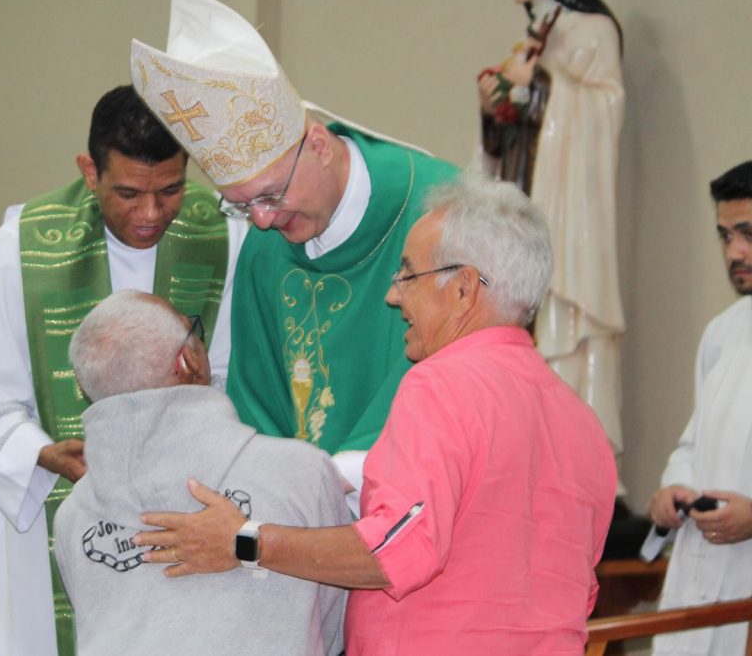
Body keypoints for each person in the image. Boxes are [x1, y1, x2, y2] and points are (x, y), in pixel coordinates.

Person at [135, 177, 617, 654]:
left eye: (408, 274)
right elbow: (577, 590)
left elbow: (396, 551)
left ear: (464, 289)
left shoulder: (442, 384)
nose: (394, 296)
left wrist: (243, 542)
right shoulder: (581, 421)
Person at [0, 85, 246, 656]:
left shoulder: (226, 237)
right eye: (129, 193)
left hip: (186, 511)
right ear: (90, 171)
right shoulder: (19, 249)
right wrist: (40, 453)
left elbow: (239, 372)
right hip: (57, 516)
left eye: (172, 190)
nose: (151, 214)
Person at [131, 0, 459, 502]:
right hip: (306, 527)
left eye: (271, 195)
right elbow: (257, 406)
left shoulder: (441, 211)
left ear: (320, 146)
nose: (261, 221)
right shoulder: (266, 250)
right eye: (240, 206)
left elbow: (468, 375)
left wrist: (340, 478)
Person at [52, 290, 348, 655]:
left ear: (85, 387)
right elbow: (335, 629)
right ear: (188, 359)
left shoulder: (72, 518)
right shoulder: (300, 473)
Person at [475, 0, 626, 460]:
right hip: (530, 200)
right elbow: (516, 134)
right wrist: (495, 111)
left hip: (570, 213)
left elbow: (604, 109)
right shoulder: (535, 36)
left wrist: (537, 86)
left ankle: (582, 454)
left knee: (568, 315)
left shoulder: (593, 31)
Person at [646, 161, 752, 655]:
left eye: (747, 233)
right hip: (701, 577)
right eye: (724, 235)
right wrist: (674, 488)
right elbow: (696, 441)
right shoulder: (723, 333)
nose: (734, 252)